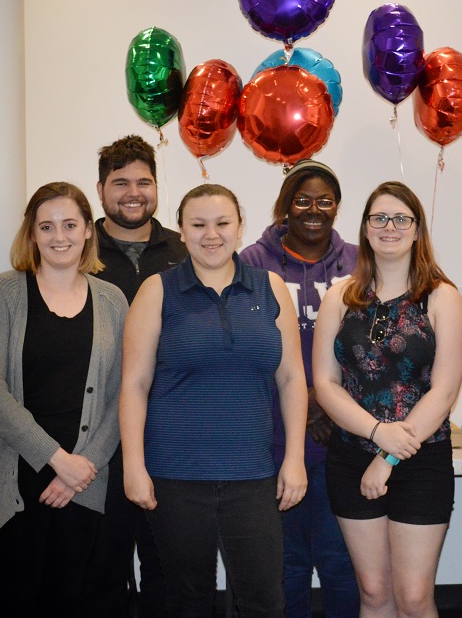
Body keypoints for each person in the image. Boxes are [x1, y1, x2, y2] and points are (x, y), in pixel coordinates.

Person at [119, 183, 308, 618]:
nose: (211, 234)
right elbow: (133, 384)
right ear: (181, 231)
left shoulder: (271, 288)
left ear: (239, 228)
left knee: (264, 600)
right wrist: (134, 466)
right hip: (175, 475)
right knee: (187, 601)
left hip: (253, 474)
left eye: (222, 223)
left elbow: (293, 377)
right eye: (198, 224)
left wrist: (294, 457)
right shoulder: (157, 290)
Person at [0, 182, 128, 617]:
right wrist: (58, 459)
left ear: (89, 230)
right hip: (13, 479)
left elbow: (119, 395)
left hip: (82, 481)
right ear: (31, 234)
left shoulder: (111, 300)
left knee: (69, 604)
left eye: (70, 225)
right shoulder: (2, 293)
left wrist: (81, 467)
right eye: (46, 226)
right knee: (18, 606)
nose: (59, 237)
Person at [312, 181, 462, 618]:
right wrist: (378, 434)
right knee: (374, 594)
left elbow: (446, 390)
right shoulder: (339, 297)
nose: (389, 227)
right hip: (350, 459)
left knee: (415, 597)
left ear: (417, 230)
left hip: (420, 461)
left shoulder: (442, 297)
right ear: (364, 228)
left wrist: (388, 456)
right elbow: (326, 383)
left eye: (402, 218)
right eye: (378, 218)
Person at [239, 159, 359, 618]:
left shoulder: (357, 263)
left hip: (341, 439)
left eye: (324, 200)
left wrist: (329, 402)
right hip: (271, 442)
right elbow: (245, 345)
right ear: (285, 206)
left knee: (340, 564)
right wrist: (302, 399)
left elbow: (374, 345)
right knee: (282, 567)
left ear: (337, 207)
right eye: (302, 199)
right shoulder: (252, 263)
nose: (314, 209)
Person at [87, 134, 186, 617]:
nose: (133, 192)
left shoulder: (184, 251)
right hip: (96, 436)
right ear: (101, 188)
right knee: (101, 566)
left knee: (167, 568)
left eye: (143, 182)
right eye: (120, 182)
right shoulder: (77, 251)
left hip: (168, 436)